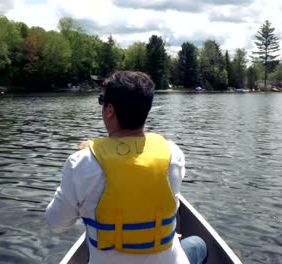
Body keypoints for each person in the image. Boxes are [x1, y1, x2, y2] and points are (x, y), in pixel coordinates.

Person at [46, 71, 206, 264]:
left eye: (101, 101)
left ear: (110, 110)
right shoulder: (174, 155)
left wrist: (86, 156)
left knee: (92, 238)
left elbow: (56, 224)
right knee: (198, 244)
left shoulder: (80, 162)